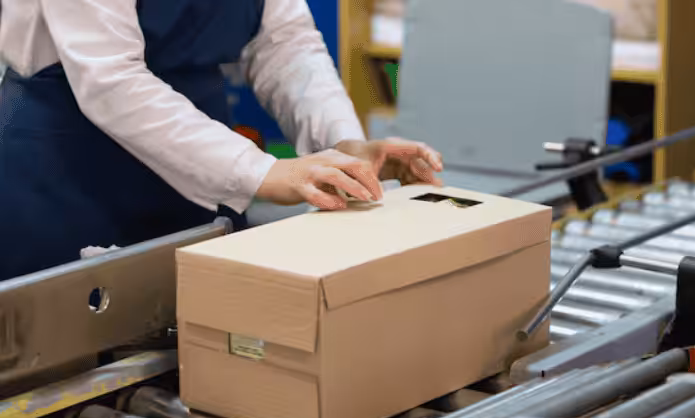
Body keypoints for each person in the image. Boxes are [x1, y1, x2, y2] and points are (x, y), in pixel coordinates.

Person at [0, 0, 443, 281]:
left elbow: (284, 43)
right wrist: (261, 171)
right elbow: (109, 78)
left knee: (201, 340)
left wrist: (343, 143)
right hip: (66, 161)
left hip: (199, 152)